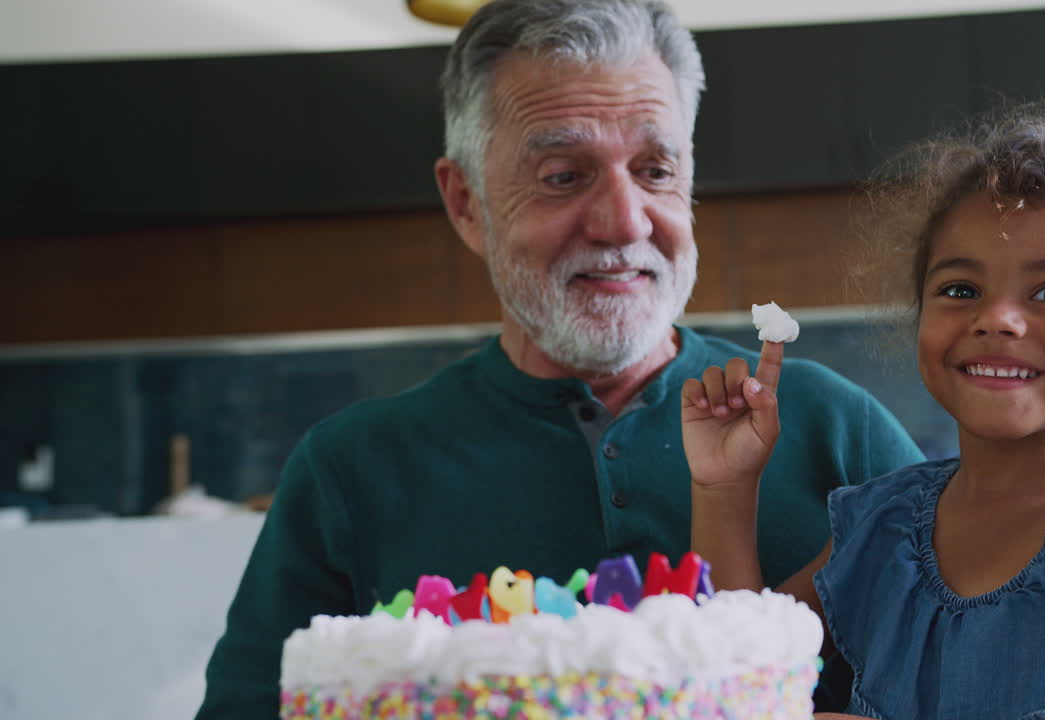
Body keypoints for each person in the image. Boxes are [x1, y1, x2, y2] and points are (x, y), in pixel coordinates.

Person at [195, 1, 923, 716]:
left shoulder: (837, 431)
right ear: (466, 202)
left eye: (656, 168)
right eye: (563, 175)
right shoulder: (349, 472)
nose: (624, 219)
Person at [683, 105, 1045, 719]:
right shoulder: (883, 522)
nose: (996, 317)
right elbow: (736, 669)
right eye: (960, 290)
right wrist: (724, 487)